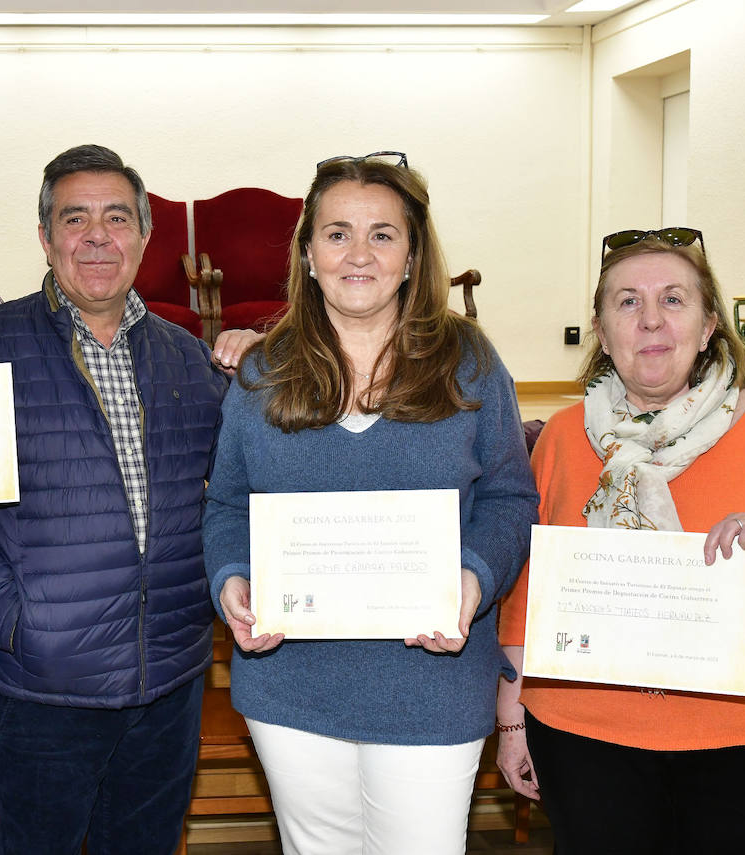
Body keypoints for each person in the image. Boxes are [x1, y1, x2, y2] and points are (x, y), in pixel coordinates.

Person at [203, 153, 537, 855]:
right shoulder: (263, 371)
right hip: (291, 682)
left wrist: (473, 580)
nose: (359, 253)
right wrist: (231, 577)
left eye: (383, 234)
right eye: (337, 233)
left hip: (433, 680)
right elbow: (229, 503)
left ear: (413, 255)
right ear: (308, 252)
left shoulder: (470, 361)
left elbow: (509, 496)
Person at [0, 144, 232, 855]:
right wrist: (10, 615)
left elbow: (230, 495)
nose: (95, 235)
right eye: (73, 217)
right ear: (46, 237)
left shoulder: (187, 356)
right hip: (47, 683)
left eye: (116, 218)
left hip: (170, 675)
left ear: (145, 236)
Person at [495, 227, 745, 855]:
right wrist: (511, 721)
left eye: (673, 300)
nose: (650, 320)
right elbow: (526, 597)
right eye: (627, 302)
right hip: (584, 735)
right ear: (601, 328)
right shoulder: (564, 439)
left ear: (708, 327)